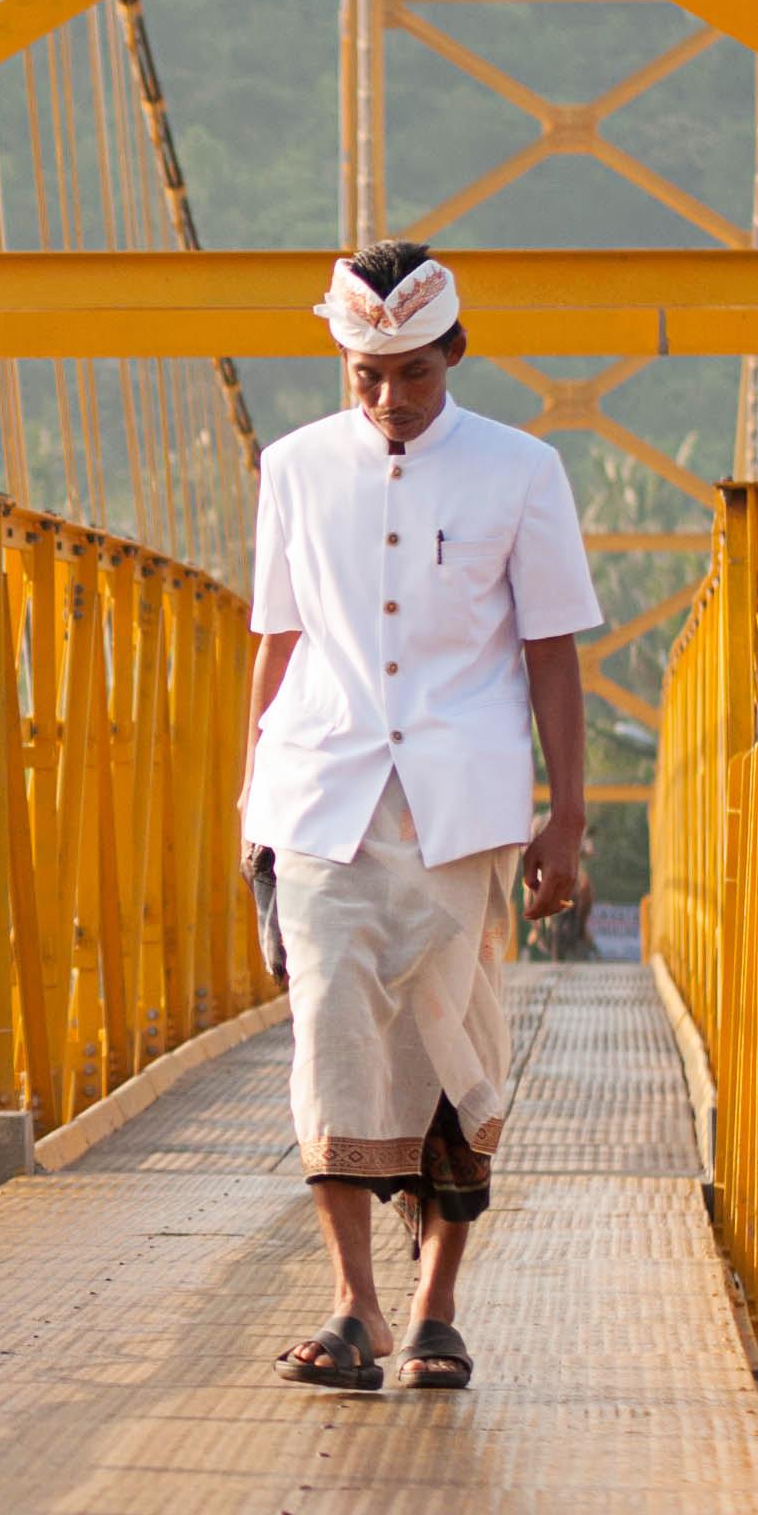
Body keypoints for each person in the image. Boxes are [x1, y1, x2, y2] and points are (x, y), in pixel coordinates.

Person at [244, 241, 599, 1393]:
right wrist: (249, 805)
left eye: (411, 374)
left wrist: (567, 822)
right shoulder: (293, 468)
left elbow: (551, 653)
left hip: (464, 810)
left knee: (456, 1050)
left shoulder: (520, 470)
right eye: (365, 374)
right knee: (329, 1041)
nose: (388, 398)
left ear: (453, 353)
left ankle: (435, 1306)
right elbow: (277, 642)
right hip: (321, 798)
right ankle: (355, 1308)